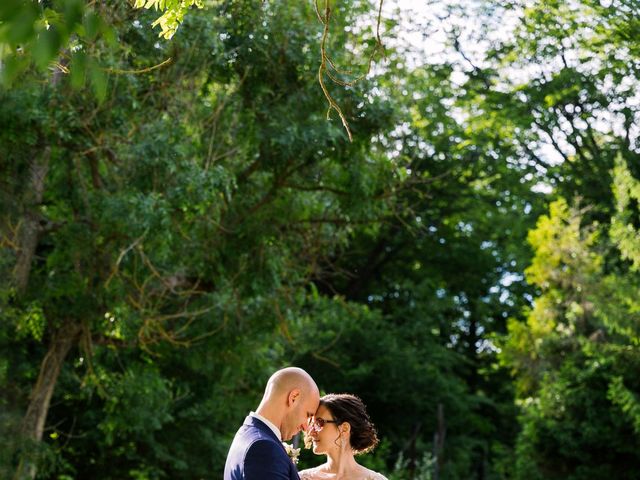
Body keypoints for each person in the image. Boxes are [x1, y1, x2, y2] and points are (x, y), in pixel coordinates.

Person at [224, 367, 320, 480]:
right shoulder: (264, 449)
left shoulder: (246, 434)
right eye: (308, 415)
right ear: (293, 398)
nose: (305, 427)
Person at [298, 393, 388, 480]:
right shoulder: (302, 478)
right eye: (312, 424)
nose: (310, 432)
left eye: (319, 423)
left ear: (344, 428)